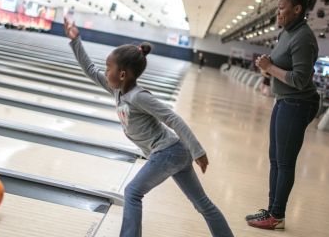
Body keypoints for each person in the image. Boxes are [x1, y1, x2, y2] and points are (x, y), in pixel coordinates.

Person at [63, 18, 234, 237]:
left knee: (132, 192)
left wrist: (197, 149)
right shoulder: (117, 90)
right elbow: (90, 69)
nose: (105, 73)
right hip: (175, 152)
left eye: (109, 69)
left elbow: (173, 118)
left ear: (122, 74)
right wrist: (76, 40)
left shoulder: (138, 96)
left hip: (168, 152)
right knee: (202, 204)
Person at [245, 0, 320, 230]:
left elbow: (299, 80)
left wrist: (269, 68)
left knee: (285, 163)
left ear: (297, 9)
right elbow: (282, 69)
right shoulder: (286, 33)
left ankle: (277, 216)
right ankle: (271, 210)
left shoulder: (303, 38)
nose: (277, 13)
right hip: (284, 101)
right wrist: (267, 69)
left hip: (298, 103)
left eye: (281, 8)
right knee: (275, 160)